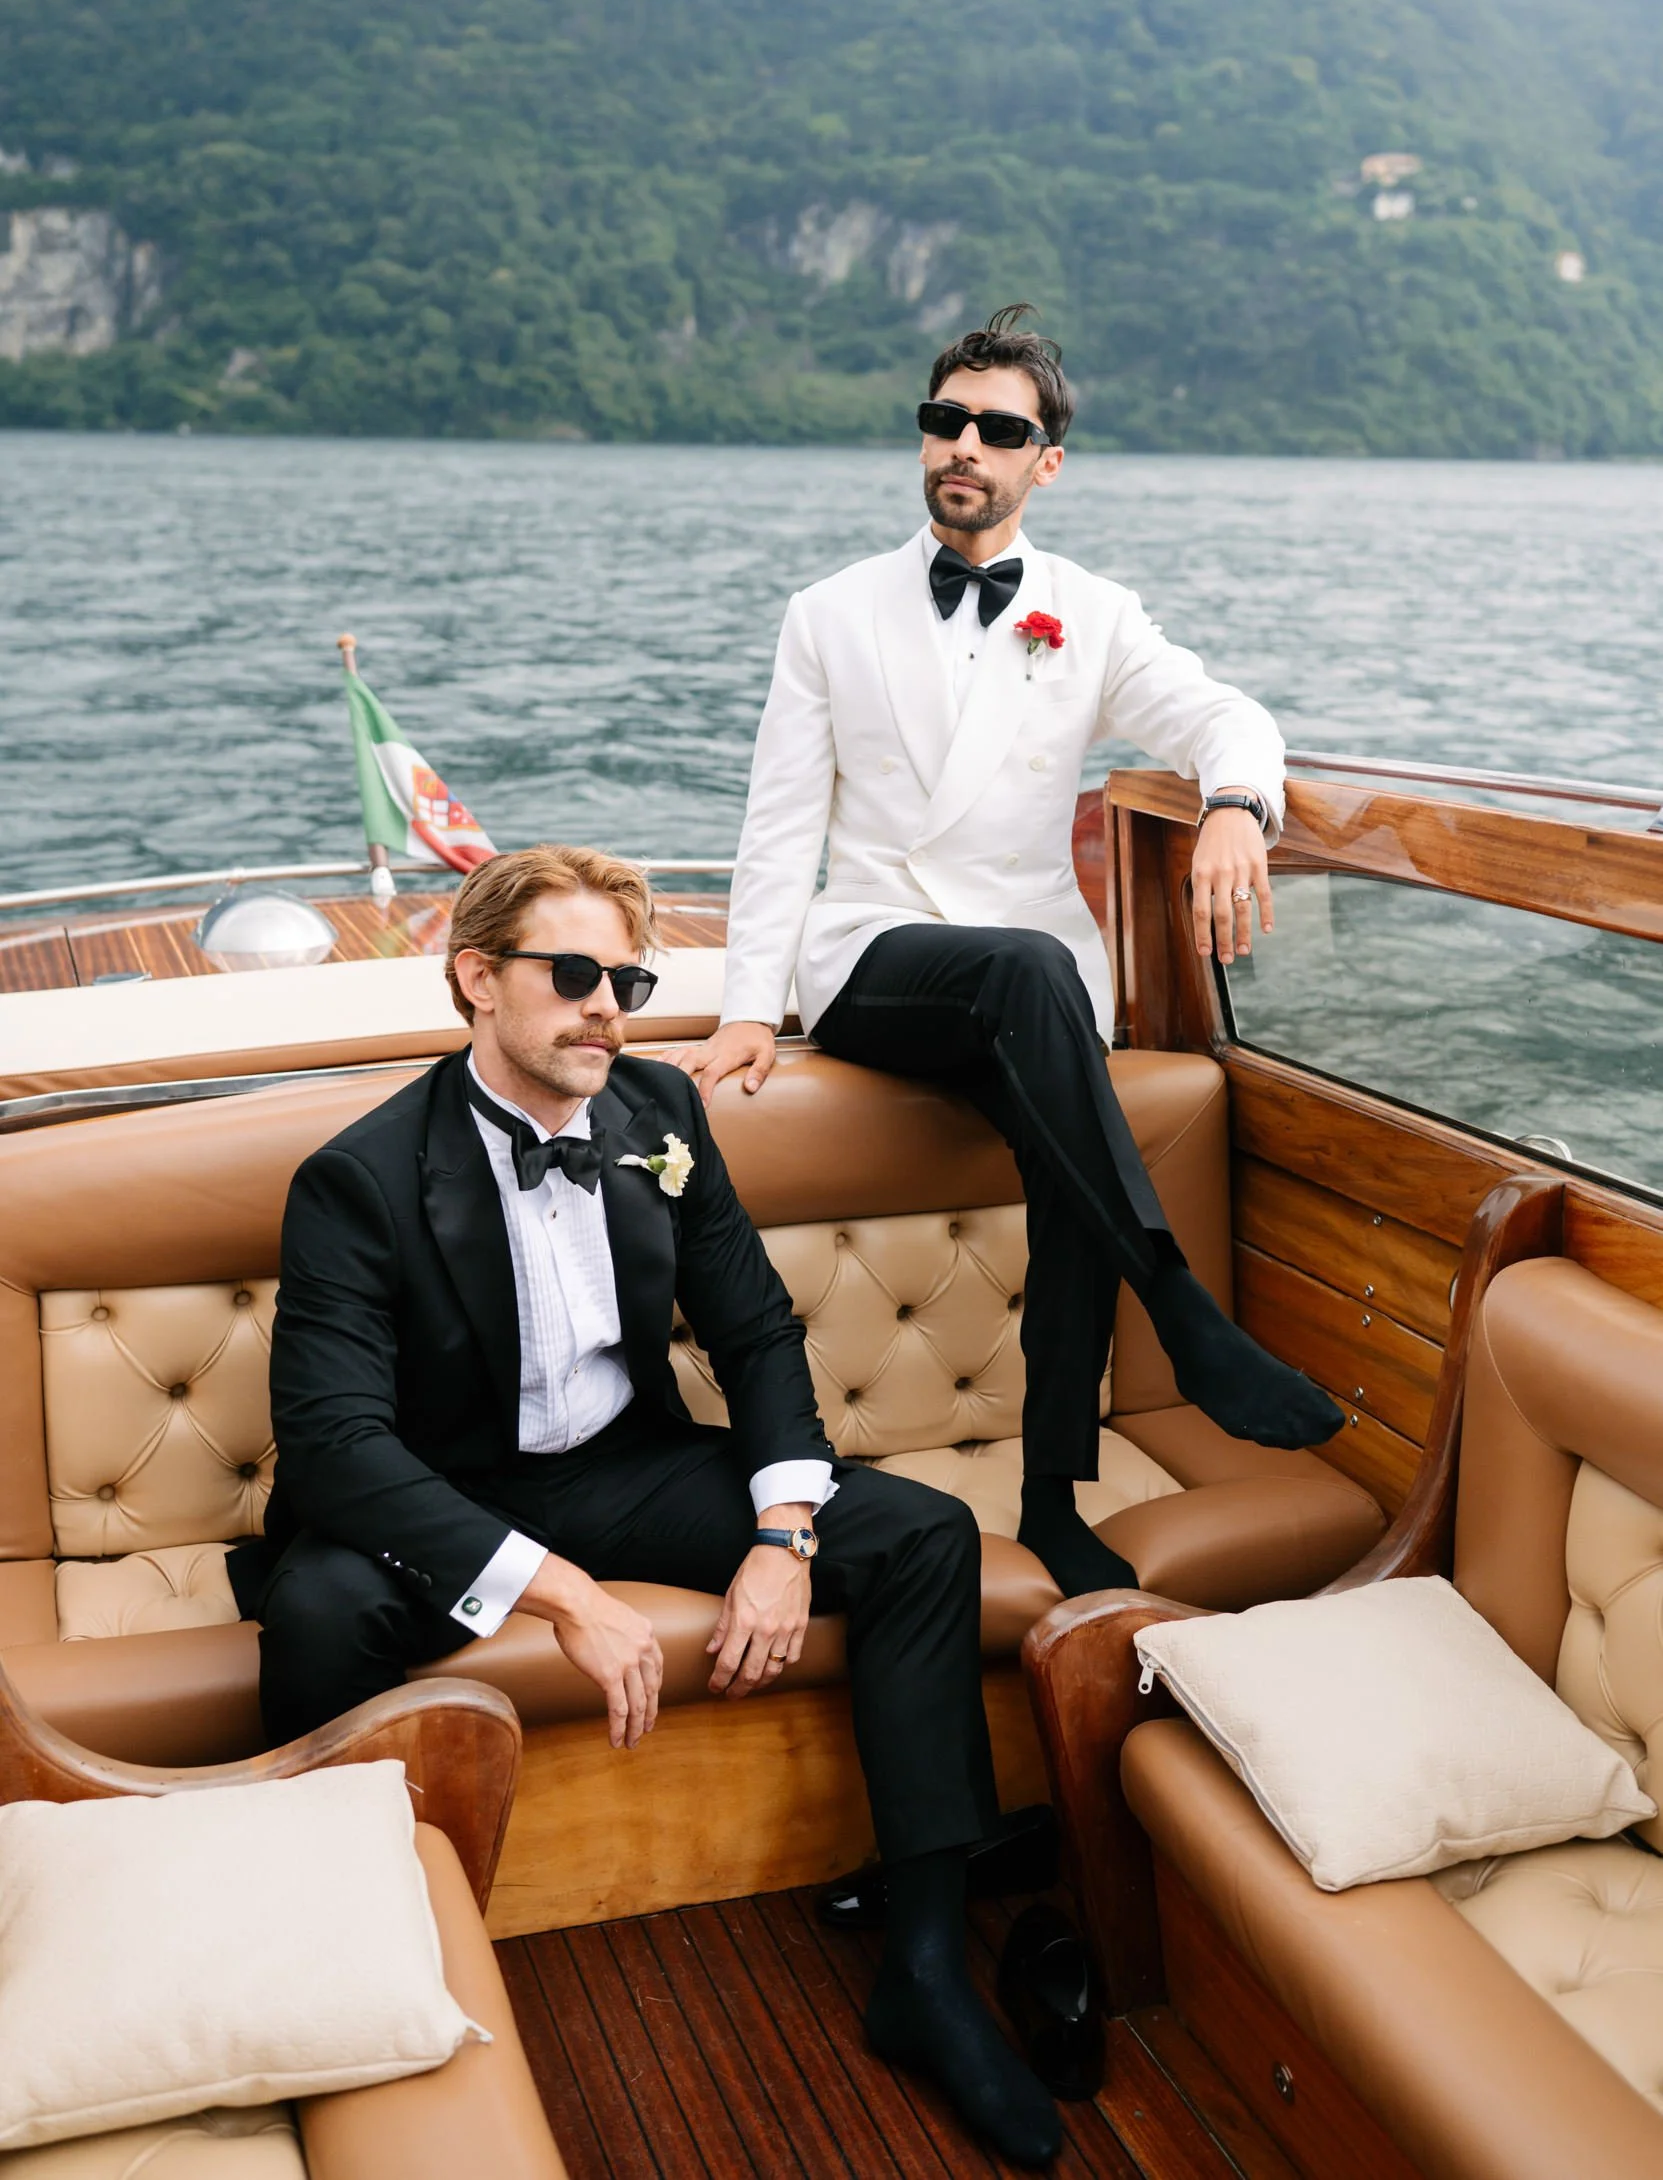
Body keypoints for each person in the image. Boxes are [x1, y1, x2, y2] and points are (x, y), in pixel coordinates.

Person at [235, 842, 1062, 2168]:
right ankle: (337, 1961)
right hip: (450, 1491)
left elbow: (756, 1331)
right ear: (476, 979)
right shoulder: (363, 1176)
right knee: (322, 1608)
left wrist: (782, 1536)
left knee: (922, 1535)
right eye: (573, 975)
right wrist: (566, 1598)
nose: (605, 1008)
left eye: (626, 981)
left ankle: (924, 1966)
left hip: (627, 1466)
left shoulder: (659, 1112)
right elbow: (334, 1449)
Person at [667, 305, 1340, 1599]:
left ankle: (1048, 1501)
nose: (963, 445)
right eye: (945, 420)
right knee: (1036, 973)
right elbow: (779, 826)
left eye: (997, 429)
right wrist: (750, 1005)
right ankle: (1183, 1315)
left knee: (1057, 1103)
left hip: (1027, 982)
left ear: (1047, 461)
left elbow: (1225, 717)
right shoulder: (829, 613)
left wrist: (1232, 809)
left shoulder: (1092, 612)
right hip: (877, 957)